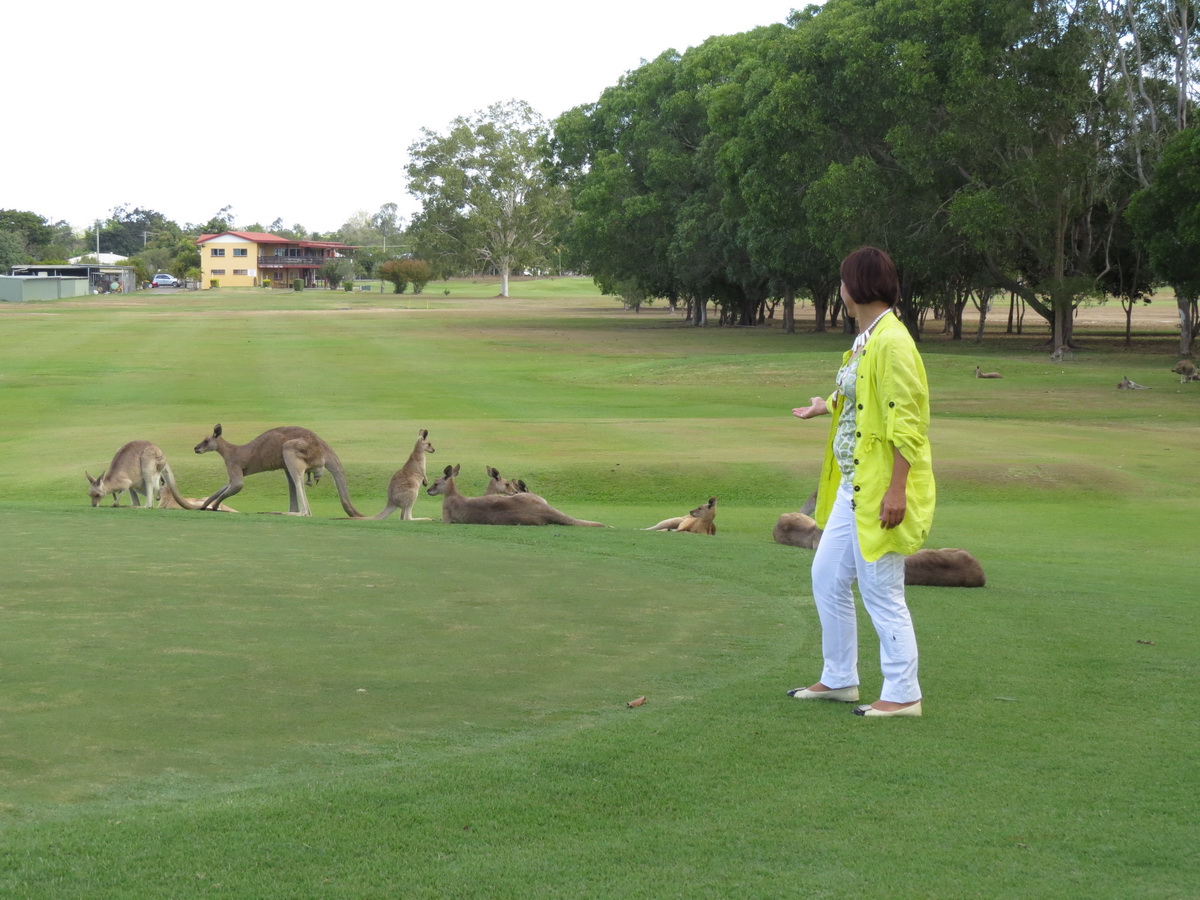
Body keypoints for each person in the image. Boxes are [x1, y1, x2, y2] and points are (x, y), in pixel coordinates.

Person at [788, 246, 935, 717]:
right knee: (827, 576)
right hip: (854, 488)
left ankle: (903, 692)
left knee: (881, 589)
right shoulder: (867, 339)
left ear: (858, 288)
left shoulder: (893, 342)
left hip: (878, 490)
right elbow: (860, 393)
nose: (841, 291)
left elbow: (906, 422)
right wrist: (824, 405)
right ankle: (839, 678)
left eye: (843, 282)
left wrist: (897, 490)